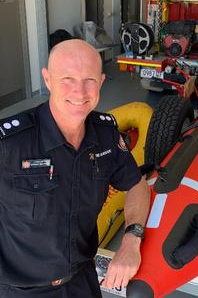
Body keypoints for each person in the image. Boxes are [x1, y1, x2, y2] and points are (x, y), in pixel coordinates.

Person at [0, 39, 150, 297]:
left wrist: (131, 238)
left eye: (89, 80)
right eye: (67, 78)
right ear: (47, 80)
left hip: (82, 282)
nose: (80, 93)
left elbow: (136, 185)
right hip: (20, 290)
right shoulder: (10, 143)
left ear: (102, 81)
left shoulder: (106, 136)